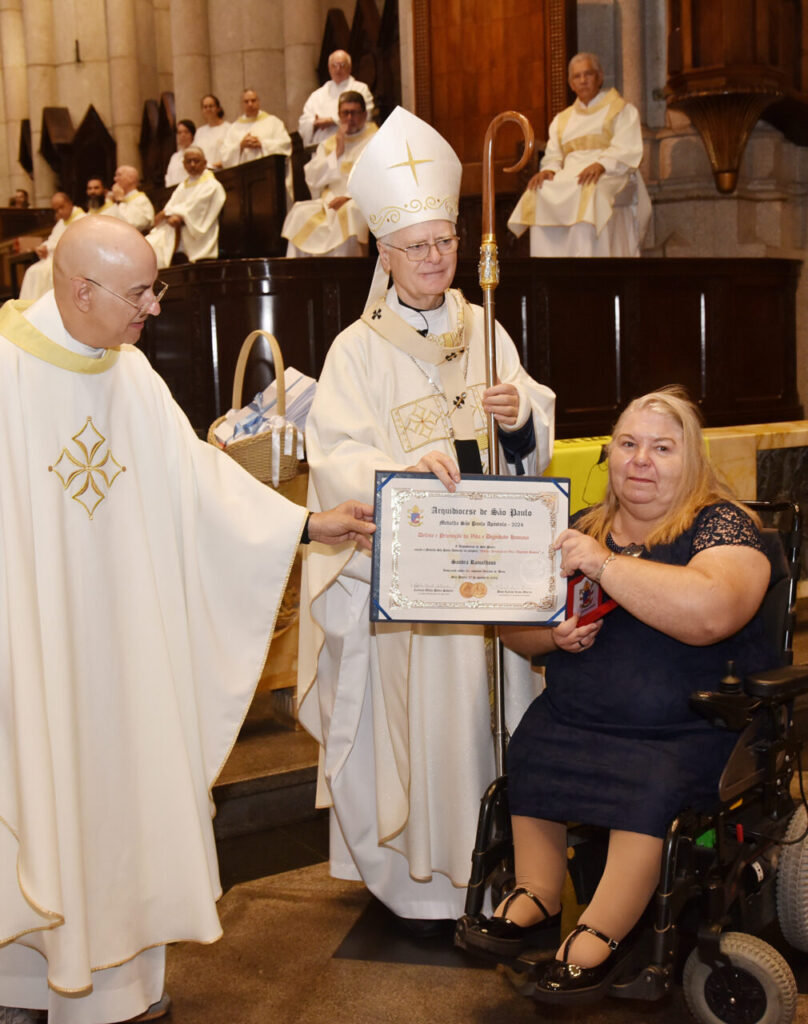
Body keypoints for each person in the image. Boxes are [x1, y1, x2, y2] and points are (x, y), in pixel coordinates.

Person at [0, 214, 375, 1024]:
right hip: (31, 652)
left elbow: (197, 484)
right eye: (140, 291)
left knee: (120, 799)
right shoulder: (4, 376)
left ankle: (118, 990)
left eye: (155, 287)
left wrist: (307, 525)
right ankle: (23, 981)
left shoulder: (129, 374)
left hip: (127, 651)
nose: (155, 307)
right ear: (78, 289)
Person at [297, 106, 556, 927]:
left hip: (487, 580)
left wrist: (517, 415)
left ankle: (507, 869)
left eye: (445, 241)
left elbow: (532, 438)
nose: (436, 257)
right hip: (414, 590)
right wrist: (401, 474)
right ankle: (421, 886)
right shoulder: (357, 351)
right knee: (427, 734)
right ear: (384, 253)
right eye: (417, 246)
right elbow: (334, 456)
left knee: (493, 721)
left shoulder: (486, 329)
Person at [460, 386, 777, 1004]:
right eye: (628, 444)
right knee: (535, 745)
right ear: (610, 454)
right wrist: (551, 634)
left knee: (648, 778)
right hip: (578, 716)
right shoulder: (580, 527)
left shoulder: (722, 524)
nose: (641, 460)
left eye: (662, 448)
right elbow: (515, 627)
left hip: (686, 728)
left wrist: (603, 565)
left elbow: (712, 611)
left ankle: (599, 932)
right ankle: (537, 893)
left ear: (693, 460)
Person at [508, 52, 650, 257]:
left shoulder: (620, 109)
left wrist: (602, 164)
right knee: (538, 191)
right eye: (577, 76)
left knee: (591, 191)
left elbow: (627, 148)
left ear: (600, 77)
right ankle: (549, 272)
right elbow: (554, 155)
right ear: (570, 83)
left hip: (611, 173)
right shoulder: (562, 119)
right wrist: (548, 170)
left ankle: (588, 270)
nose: (583, 80)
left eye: (588, 74)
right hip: (570, 175)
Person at [282, 92, 376, 257]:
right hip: (330, 200)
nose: (349, 118)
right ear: (339, 116)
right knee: (299, 212)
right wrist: (337, 154)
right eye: (344, 113)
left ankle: (344, 275)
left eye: (354, 112)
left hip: (359, 201)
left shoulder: (375, 140)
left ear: (364, 114)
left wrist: (348, 197)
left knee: (348, 212)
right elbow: (313, 179)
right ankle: (299, 275)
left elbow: (377, 178)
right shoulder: (331, 143)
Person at [146, 146, 226, 268]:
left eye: (196, 161)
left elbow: (196, 209)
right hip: (177, 230)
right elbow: (171, 206)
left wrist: (170, 213)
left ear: (204, 163)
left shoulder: (212, 185)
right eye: (188, 161)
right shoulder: (183, 185)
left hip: (197, 235)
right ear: (183, 164)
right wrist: (167, 214)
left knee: (155, 250)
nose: (192, 165)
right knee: (148, 246)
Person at [298, 49, 374, 147]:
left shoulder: (360, 89)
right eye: (334, 65)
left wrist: (333, 121)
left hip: (352, 146)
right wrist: (314, 123)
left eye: (342, 65)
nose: (338, 69)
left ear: (350, 68)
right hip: (321, 148)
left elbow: (366, 115)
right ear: (329, 68)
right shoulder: (317, 95)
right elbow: (304, 122)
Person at [18, 191, 85, 302]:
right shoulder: (61, 223)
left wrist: (49, 248)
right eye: (56, 210)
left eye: (61, 207)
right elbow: (52, 240)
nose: (59, 212)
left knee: (41, 273)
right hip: (54, 258)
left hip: (71, 261)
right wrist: (44, 247)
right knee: (32, 271)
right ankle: (29, 308)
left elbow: (73, 244)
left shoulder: (82, 219)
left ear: (69, 203)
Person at [220, 89, 291, 168]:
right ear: (241, 105)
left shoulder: (273, 122)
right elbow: (224, 154)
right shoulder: (234, 128)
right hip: (244, 173)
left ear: (258, 102)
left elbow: (285, 144)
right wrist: (240, 146)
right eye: (246, 102)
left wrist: (262, 144)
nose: (250, 104)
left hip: (268, 170)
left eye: (253, 100)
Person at [102, 165, 155, 232]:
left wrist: (120, 200)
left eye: (119, 175)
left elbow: (130, 224)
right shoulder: (113, 197)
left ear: (131, 178)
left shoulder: (140, 199)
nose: (115, 179)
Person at [194, 94, 230, 169]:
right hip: (203, 173)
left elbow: (232, 153)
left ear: (218, 108)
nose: (208, 109)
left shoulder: (228, 128)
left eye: (211, 106)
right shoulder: (200, 132)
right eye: (205, 107)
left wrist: (215, 166)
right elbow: (195, 153)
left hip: (222, 171)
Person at [164, 118, 197, 187]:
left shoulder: (197, 153)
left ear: (192, 135)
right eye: (179, 133)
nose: (182, 135)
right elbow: (168, 177)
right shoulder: (174, 157)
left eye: (186, 132)